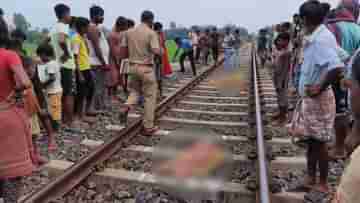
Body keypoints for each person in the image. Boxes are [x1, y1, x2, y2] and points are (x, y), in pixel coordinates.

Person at [292, 1, 344, 193]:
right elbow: (343, 55)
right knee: (312, 141)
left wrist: (320, 86)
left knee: (320, 142)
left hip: (319, 100)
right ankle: (310, 178)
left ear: (304, 19)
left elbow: (337, 65)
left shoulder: (320, 39)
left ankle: (322, 183)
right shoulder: (319, 35)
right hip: (313, 100)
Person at [0, 20, 34, 202]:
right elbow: (24, 81)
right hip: (7, 118)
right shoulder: (9, 55)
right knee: (11, 178)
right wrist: (15, 93)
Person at [325, 1, 360, 159]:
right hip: (352, 77)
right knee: (345, 112)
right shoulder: (357, 29)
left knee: (339, 113)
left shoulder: (332, 28)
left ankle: (340, 147)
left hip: (339, 75)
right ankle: (342, 143)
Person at [120, 10, 161, 135]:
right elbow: (156, 50)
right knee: (149, 97)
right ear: (150, 20)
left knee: (135, 91)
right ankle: (148, 127)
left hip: (132, 67)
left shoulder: (128, 32)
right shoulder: (151, 33)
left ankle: (126, 106)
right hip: (146, 68)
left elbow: (122, 53)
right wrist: (161, 51)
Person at [50, 4, 77, 129]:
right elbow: (61, 40)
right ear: (65, 14)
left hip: (57, 64)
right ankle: (69, 122)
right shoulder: (63, 27)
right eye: (69, 14)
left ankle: (60, 120)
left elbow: (45, 42)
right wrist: (66, 53)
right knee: (69, 94)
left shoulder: (53, 27)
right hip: (66, 64)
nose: (70, 17)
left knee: (60, 93)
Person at [72, 17, 97, 121]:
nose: (88, 29)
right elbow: (75, 57)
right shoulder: (76, 39)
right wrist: (79, 74)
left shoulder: (82, 38)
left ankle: (86, 111)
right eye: (87, 27)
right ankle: (80, 115)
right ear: (82, 27)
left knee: (90, 89)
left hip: (86, 68)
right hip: (81, 70)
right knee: (81, 93)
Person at [36, 43, 63, 134]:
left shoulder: (51, 64)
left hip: (53, 91)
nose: (40, 58)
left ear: (44, 54)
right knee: (53, 110)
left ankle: (55, 129)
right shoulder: (53, 62)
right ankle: (54, 128)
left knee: (54, 111)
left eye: (40, 55)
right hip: (53, 91)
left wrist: (42, 85)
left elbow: (52, 78)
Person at [87, 5, 110, 111]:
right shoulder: (92, 28)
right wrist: (103, 62)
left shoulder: (96, 27)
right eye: (101, 15)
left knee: (100, 86)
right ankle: (95, 108)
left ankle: (98, 107)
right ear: (95, 15)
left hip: (98, 63)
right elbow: (96, 48)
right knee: (97, 86)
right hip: (96, 63)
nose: (103, 18)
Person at [271, 32, 292, 125]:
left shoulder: (287, 52)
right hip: (278, 77)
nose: (278, 42)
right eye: (278, 40)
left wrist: (281, 82)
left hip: (282, 79)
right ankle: (280, 114)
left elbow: (285, 69)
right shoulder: (283, 50)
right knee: (279, 97)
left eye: (280, 40)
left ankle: (282, 118)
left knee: (282, 98)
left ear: (286, 41)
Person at [108, 16, 128, 102]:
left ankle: (115, 96)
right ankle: (111, 96)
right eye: (124, 26)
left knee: (117, 78)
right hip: (112, 59)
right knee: (113, 78)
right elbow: (112, 50)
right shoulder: (112, 35)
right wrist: (116, 61)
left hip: (118, 58)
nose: (125, 28)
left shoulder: (118, 33)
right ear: (120, 25)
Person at [153, 22, 164, 96]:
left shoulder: (156, 35)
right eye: (161, 28)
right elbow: (157, 48)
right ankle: (158, 93)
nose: (161, 30)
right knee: (157, 77)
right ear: (159, 28)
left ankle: (159, 92)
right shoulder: (156, 36)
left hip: (157, 58)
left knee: (158, 76)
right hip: (156, 58)